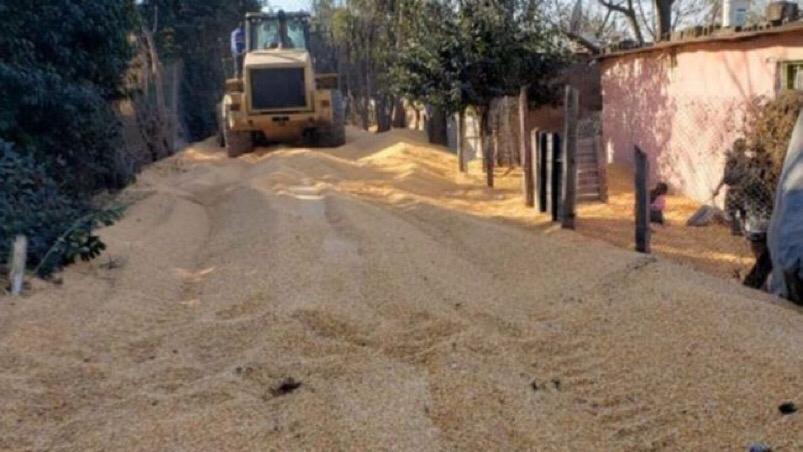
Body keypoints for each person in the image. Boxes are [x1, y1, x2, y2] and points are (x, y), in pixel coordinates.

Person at [713, 139, 749, 236]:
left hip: (737, 190)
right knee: (738, 212)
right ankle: (738, 229)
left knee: (738, 212)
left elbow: (725, 178)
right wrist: (717, 189)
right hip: (738, 190)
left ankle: (739, 229)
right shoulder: (740, 161)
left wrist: (717, 189)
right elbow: (725, 177)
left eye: (737, 149)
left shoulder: (740, 161)